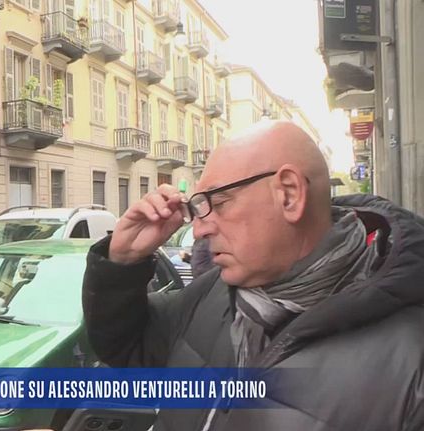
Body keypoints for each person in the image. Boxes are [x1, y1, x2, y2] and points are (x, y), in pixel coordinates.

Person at [83, 121, 424, 430]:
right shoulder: (212, 291)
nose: (199, 230)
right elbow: (129, 350)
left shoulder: (411, 364)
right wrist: (122, 263)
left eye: (218, 201)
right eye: (196, 208)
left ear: (289, 194)